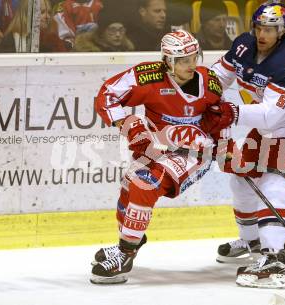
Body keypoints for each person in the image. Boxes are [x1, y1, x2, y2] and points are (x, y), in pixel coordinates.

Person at [90, 29, 228, 284]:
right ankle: (130, 241)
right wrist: (130, 125)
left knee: (145, 183)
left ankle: (125, 255)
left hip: (193, 153)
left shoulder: (210, 82)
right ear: (167, 61)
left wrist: (223, 144)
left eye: (194, 57)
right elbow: (106, 95)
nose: (191, 65)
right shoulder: (147, 76)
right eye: (183, 60)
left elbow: (221, 117)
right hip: (156, 148)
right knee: (129, 188)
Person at [201, 2, 285, 288]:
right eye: (258, 27)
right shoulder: (244, 45)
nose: (262, 34)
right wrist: (199, 97)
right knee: (242, 179)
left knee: (273, 184)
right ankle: (252, 242)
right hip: (266, 125)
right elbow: (217, 76)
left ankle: (275, 261)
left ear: (282, 31)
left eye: (269, 29)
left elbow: (270, 115)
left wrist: (230, 112)